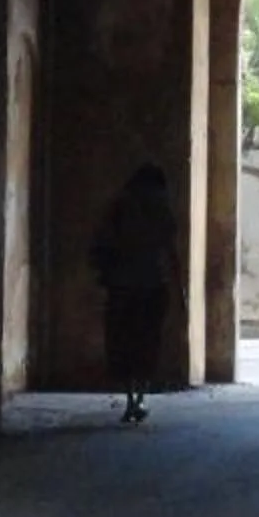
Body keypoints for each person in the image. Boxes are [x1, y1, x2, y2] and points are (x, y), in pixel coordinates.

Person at [90, 164, 182, 424]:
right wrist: (179, 288)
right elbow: (171, 251)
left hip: (121, 286)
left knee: (123, 343)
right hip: (152, 285)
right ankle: (141, 397)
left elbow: (100, 245)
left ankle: (131, 398)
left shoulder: (119, 208)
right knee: (147, 342)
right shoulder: (161, 211)